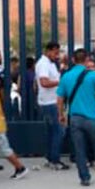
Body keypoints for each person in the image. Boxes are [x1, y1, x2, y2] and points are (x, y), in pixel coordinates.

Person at [57, 49, 95, 187]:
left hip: (75, 117)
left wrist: (61, 114)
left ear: (73, 60)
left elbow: (60, 98)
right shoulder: (93, 75)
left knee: (79, 149)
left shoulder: (66, 76)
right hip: (93, 116)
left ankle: (84, 178)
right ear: (87, 60)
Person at [35, 42, 68, 170]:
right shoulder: (43, 64)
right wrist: (60, 82)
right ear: (48, 51)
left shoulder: (50, 64)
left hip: (49, 101)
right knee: (58, 131)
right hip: (50, 102)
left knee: (52, 131)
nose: (57, 55)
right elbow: (44, 82)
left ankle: (50, 158)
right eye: (55, 52)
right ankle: (55, 160)